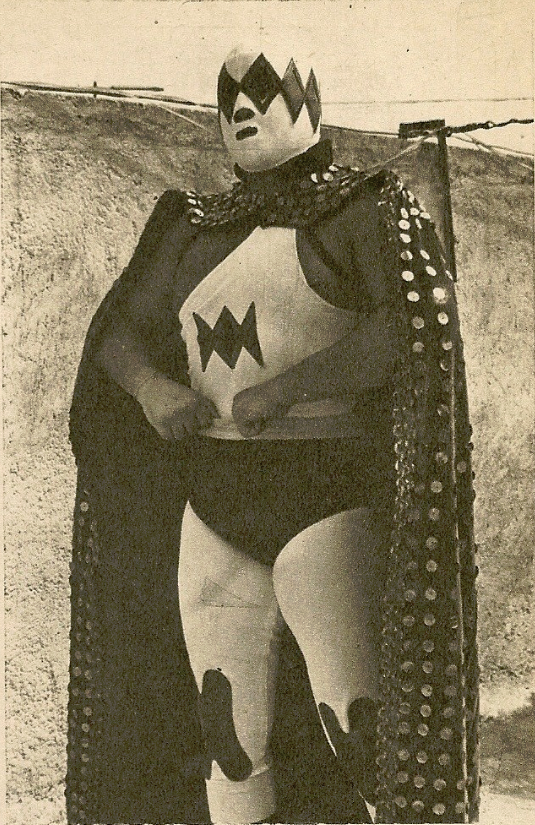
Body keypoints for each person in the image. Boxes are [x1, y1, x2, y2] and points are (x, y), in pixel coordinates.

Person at [67, 43, 479, 825]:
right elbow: (118, 334)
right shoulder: (188, 226)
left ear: (305, 100)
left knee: (357, 724)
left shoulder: (362, 208)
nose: (244, 110)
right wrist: (152, 389)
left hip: (325, 494)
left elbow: (408, 331)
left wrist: (289, 387)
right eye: (230, 96)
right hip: (213, 502)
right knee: (226, 732)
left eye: (262, 91)